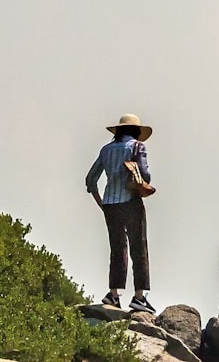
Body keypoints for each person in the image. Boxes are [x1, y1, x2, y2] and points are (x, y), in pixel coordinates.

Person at [85, 113, 155, 313]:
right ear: (136, 132)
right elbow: (145, 175)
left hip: (110, 203)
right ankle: (139, 297)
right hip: (131, 201)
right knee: (139, 247)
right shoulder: (137, 147)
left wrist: (101, 202)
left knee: (117, 248)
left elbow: (91, 180)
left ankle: (113, 294)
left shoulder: (106, 150)